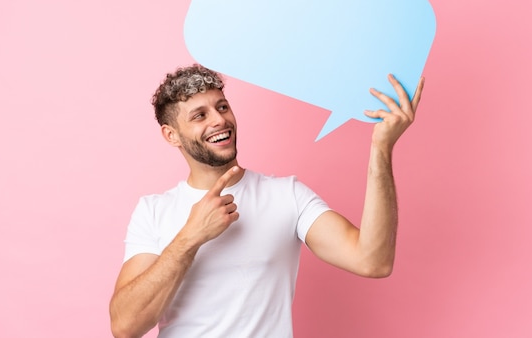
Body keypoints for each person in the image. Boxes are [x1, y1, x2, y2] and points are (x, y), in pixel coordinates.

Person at [109, 64, 424, 338]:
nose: (218, 120)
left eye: (222, 107)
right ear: (171, 135)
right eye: (199, 116)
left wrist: (381, 148)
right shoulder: (153, 211)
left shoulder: (286, 195)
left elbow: (373, 260)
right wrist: (190, 238)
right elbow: (125, 326)